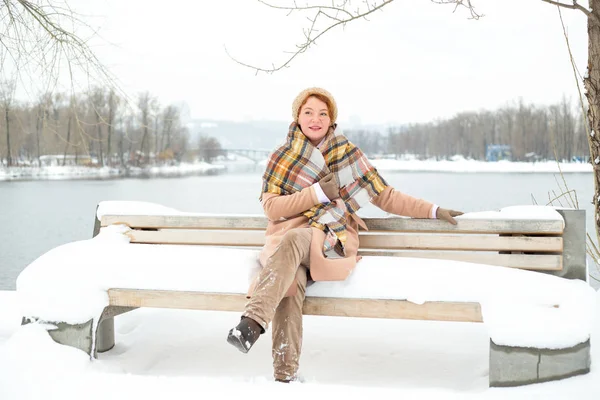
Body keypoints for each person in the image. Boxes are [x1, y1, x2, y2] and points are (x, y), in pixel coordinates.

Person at [226, 87, 463, 383]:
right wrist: (316, 193)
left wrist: (433, 209)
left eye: (323, 113)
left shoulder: (347, 154)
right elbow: (273, 210)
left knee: (294, 241)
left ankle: (251, 321)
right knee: (289, 283)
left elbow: (385, 195)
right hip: (288, 248)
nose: (316, 119)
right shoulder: (282, 156)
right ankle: (284, 378)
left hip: (330, 243)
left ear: (332, 119)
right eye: (308, 112)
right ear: (297, 117)